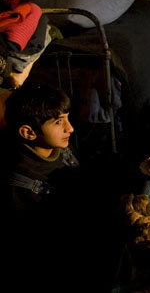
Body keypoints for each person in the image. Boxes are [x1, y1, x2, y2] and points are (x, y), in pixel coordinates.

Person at [2, 84, 99, 289]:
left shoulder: (57, 147)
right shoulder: (20, 186)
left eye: (67, 117)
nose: (70, 128)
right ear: (28, 132)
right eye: (58, 122)